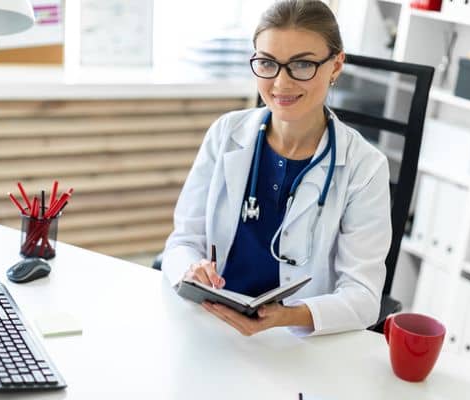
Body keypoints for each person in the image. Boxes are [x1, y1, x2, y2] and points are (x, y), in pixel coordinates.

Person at [162, 0, 391, 337]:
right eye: (267, 63)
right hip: (209, 321)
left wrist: (288, 316)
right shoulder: (226, 134)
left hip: (295, 339)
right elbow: (183, 241)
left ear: (336, 65)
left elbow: (364, 297)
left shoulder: (365, 168)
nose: (281, 83)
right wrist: (191, 271)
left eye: (302, 65)